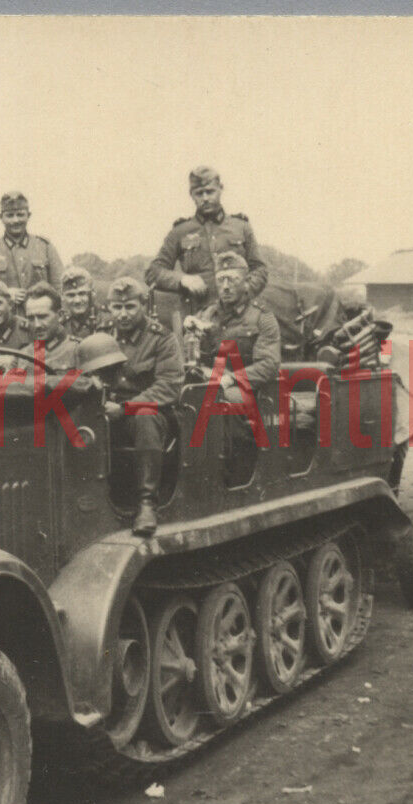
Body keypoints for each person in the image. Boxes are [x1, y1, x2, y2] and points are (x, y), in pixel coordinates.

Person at [102, 277, 185, 536]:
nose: (123, 314)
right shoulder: (102, 336)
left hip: (152, 414)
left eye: (130, 307)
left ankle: (147, 503)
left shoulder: (161, 339)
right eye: (117, 307)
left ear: (143, 306)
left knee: (145, 417)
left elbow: (168, 387)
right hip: (108, 411)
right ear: (108, 308)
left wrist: (125, 408)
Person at [146, 166, 268, 318]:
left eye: (210, 192)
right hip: (197, 317)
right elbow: (153, 272)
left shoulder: (241, 227)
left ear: (220, 189)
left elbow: (260, 269)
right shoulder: (180, 232)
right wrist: (182, 279)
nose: (205, 198)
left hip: (237, 318)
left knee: (244, 335)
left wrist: (243, 290)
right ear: (191, 195)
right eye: (199, 193)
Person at [191, 252, 281, 393]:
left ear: (246, 282)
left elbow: (268, 364)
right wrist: (190, 334)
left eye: (233, 279)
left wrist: (232, 379)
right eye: (221, 280)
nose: (225, 286)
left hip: (245, 389)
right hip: (207, 384)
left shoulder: (262, 317)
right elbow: (194, 360)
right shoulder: (206, 315)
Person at [0, 192, 64, 291]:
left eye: (20, 215)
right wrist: (4, 293)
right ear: (1, 217)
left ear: (28, 215)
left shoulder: (45, 247)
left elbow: (61, 287)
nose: (15, 220)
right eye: (10, 215)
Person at [21, 283, 79, 371]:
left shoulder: (77, 351)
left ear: (60, 316)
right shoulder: (23, 355)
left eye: (42, 317)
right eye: (31, 318)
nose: (37, 325)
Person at [59, 266, 111, 339]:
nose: (77, 300)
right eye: (71, 295)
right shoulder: (60, 324)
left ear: (92, 294)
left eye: (82, 294)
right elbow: (42, 345)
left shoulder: (107, 321)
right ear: (63, 297)